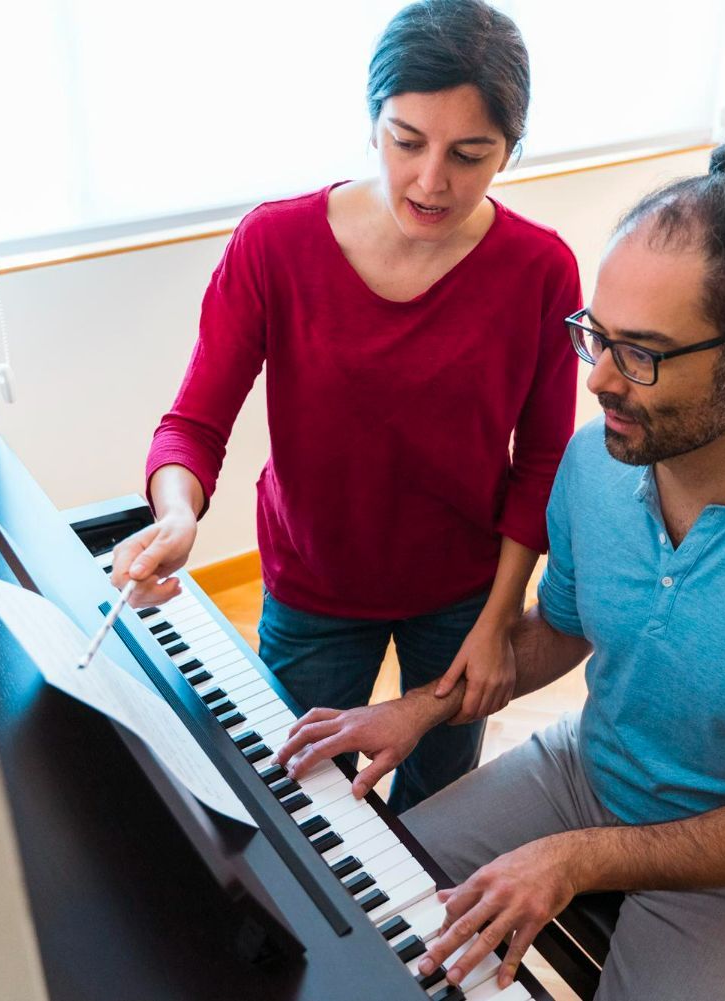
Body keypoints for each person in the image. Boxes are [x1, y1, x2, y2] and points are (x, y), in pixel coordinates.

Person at [276, 130, 725, 999]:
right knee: (355, 903)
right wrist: (417, 711)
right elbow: (563, 627)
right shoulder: (598, 464)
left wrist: (577, 859)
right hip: (584, 773)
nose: (599, 382)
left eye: (643, 354)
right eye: (599, 336)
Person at [111, 0, 580, 813]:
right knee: (298, 802)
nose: (432, 181)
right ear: (372, 126)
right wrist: (179, 515)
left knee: (435, 819)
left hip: (463, 595)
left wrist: (500, 619)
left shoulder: (541, 271)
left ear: (511, 151)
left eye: (470, 154)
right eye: (407, 142)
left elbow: (541, 463)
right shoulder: (274, 245)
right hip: (314, 585)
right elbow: (193, 424)